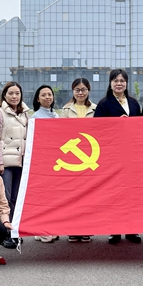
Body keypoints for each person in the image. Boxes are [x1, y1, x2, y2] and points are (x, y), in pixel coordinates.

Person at [94, 69, 142, 244]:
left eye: (122, 80)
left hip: (132, 155)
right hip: (112, 156)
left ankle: (132, 230)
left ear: (126, 83)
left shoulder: (134, 103)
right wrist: (116, 124)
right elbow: (97, 129)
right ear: (110, 83)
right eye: (115, 80)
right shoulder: (104, 104)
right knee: (114, 193)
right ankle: (115, 230)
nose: (119, 83)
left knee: (132, 194)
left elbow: (141, 127)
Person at [0, 82, 29, 249]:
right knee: (5, 199)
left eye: (17, 93)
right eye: (11, 93)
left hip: (21, 163)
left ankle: (15, 230)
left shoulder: (25, 114)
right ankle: (5, 232)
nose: (14, 96)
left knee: (16, 198)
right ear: (4, 95)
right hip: (5, 164)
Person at [61, 78, 96, 243]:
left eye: (83, 89)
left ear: (88, 90)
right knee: (73, 196)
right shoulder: (66, 110)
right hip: (72, 160)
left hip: (92, 156)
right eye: (77, 90)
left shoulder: (96, 109)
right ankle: (72, 229)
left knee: (89, 196)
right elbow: (61, 133)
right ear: (73, 91)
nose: (80, 93)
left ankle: (86, 228)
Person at [31, 84, 60, 242]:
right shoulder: (35, 117)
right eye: (44, 95)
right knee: (42, 198)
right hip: (42, 162)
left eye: (50, 94)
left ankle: (50, 228)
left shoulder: (56, 115)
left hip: (56, 161)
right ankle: (41, 230)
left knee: (53, 198)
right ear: (38, 99)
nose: (48, 97)